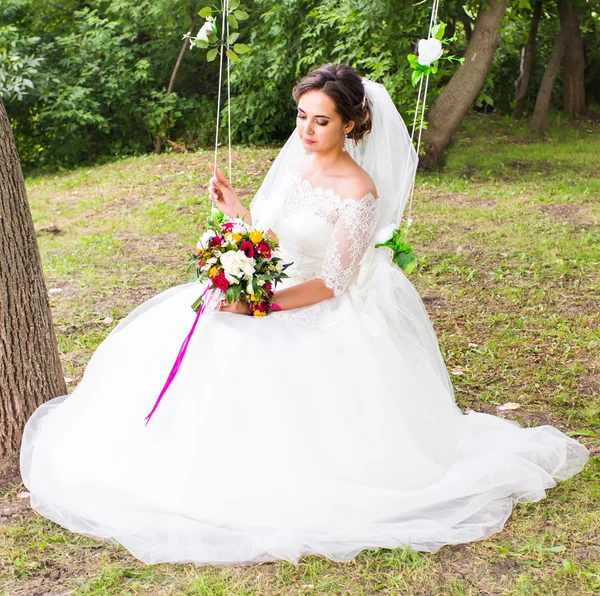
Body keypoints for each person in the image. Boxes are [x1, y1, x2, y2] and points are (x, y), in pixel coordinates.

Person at [20, 64, 589, 566]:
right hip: (267, 291)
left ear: (351, 124)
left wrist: (258, 305)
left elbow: (332, 284)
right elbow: (271, 240)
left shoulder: (359, 192)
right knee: (189, 335)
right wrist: (236, 214)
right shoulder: (296, 167)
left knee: (243, 349)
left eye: (321, 121)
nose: (307, 131)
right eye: (301, 117)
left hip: (310, 309)